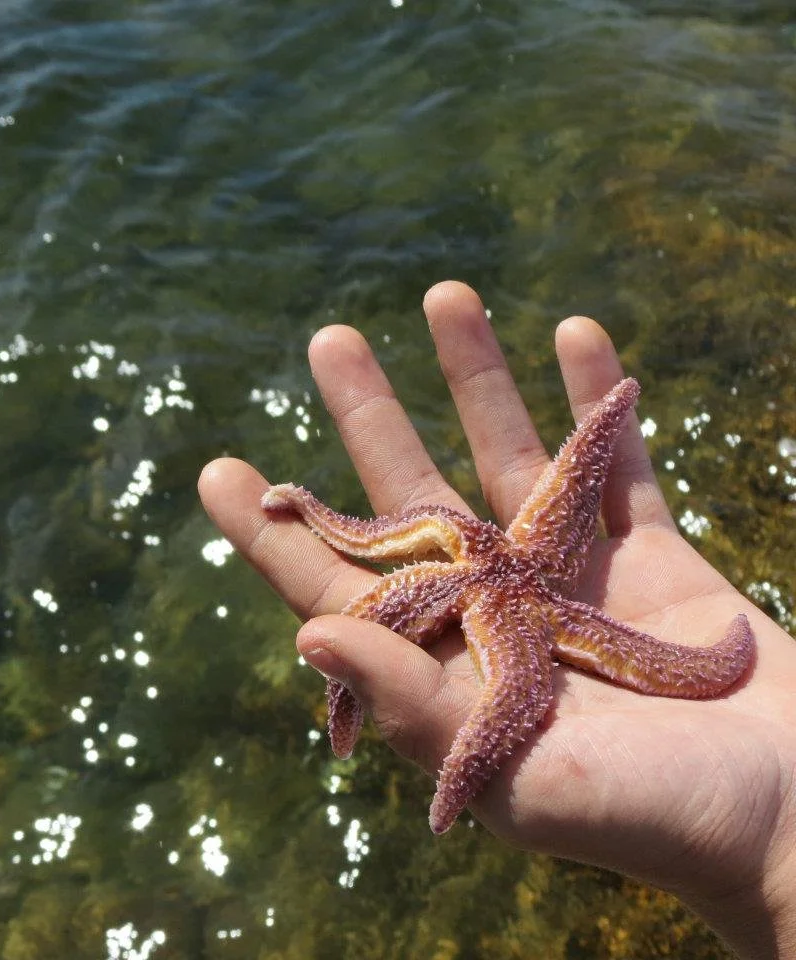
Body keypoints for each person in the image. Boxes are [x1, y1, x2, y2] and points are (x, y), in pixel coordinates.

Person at [198, 281, 796, 960]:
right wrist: (313, 514)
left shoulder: (498, 567)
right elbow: (366, 542)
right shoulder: (484, 558)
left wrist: (779, 837)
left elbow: (506, 667)